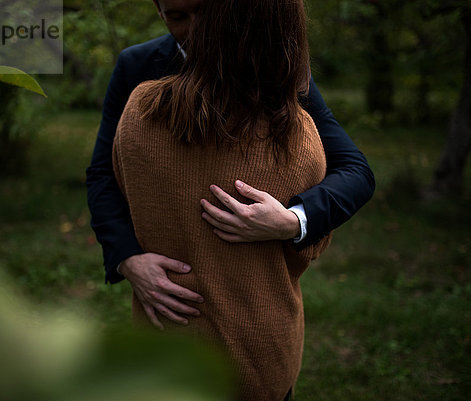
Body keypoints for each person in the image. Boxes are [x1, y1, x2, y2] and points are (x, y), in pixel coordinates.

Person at [110, 1, 359, 400]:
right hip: (259, 357)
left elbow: (121, 180)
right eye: (176, 16)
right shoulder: (300, 137)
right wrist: (125, 255)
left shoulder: (139, 110)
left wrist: (294, 220)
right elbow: (313, 250)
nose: (191, 27)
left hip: (164, 349)